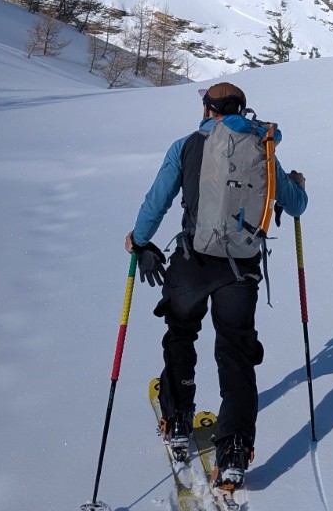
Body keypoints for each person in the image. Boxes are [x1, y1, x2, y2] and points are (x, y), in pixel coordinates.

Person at [126, 81, 307, 489]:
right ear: (241, 111)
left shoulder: (186, 146)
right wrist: (296, 185)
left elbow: (157, 200)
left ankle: (177, 419)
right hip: (240, 269)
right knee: (236, 351)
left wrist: (139, 240)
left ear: (208, 110)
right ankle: (234, 451)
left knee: (180, 332)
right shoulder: (262, 149)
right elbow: (297, 205)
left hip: (192, 263)